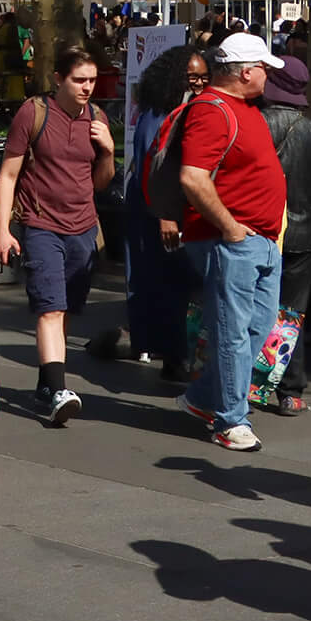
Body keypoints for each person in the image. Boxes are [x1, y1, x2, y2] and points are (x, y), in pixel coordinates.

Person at [175, 32, 289, 452]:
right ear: (245, 72)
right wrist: (229, 226)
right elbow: (192, 176)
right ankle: (229, 419)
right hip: (235, 240)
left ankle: (206, 400)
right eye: (263, 68)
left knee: (256, 327)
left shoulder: (239, 108)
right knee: (235, 331)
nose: (267, 75)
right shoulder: (212, 110)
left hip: (256, 238)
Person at [0, 45, 114, 427]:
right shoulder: (34, 113)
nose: (87, 88)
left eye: (92, 81)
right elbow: (9, 175)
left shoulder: (97, 118)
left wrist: (108, 151)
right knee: (51, 308)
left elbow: (101, 183)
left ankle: (48, 383)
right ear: (59, 79)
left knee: (63, 309)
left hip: (83, 227)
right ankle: (59, 391)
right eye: (80, 80)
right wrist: (2, 229)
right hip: (41, 223)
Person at [92, 43, 203, 380]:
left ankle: (169, 352)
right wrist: (166, 214)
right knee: (168, 287)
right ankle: (174, 357)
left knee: (169, 286)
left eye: (203, 77)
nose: (198, 83)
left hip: (161, 210)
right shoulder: (159, 113)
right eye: (191, 77)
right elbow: (152, 168)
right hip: (157, 212)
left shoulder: (173, 109)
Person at [251, 53, 311, 416]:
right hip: (304, 234)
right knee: (290, 313)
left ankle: (253, 383)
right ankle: (291, 390)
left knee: (254, 308)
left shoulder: (255, 124)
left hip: (262, 229)